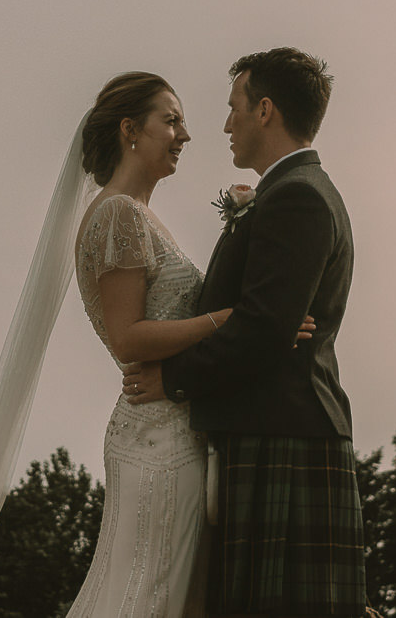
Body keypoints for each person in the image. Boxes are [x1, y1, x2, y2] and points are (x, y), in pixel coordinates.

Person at [0, 71, 316, 618]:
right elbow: (128, 337)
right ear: (129, 130)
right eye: (172, 120)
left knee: (170, 597)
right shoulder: (117, 214)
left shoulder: (139, 215)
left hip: (169, 426)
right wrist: (236, 319)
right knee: (149, 595)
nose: (186, 134)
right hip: (156, 436)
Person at [122, 48, 365, 618]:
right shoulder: (289, 192)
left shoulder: (298, 197)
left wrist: (172, 379)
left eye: (234, 107)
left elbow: (262, 330)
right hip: (275, 428)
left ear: (265, 111)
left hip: (282, 431)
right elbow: (264, 321)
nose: (225, 123)